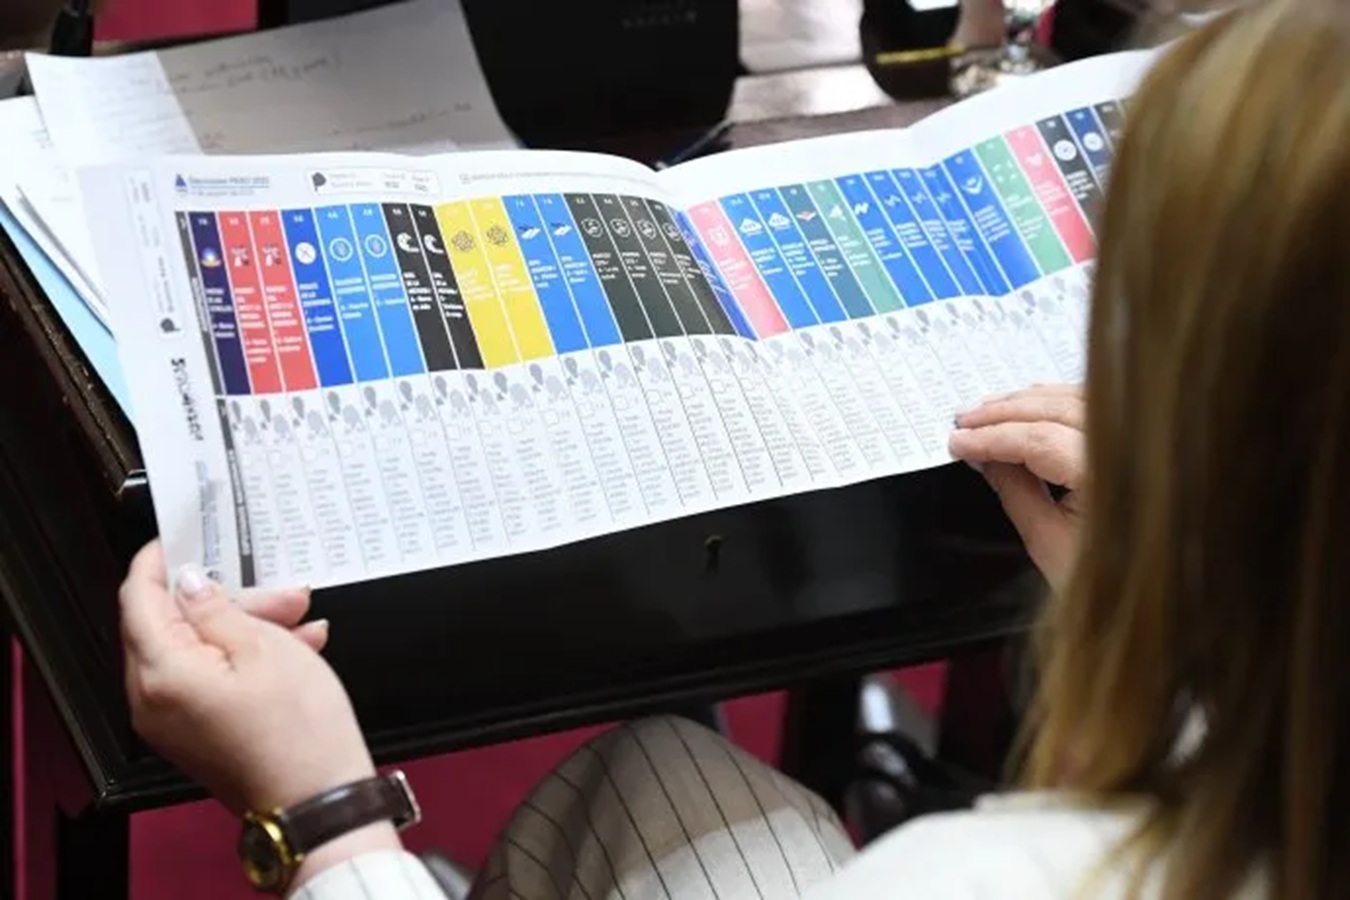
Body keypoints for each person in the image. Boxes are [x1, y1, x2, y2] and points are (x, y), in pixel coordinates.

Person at [118, 0, 1350, 896]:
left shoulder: (977, 871)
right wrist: (1184, 632)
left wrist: (325, 820)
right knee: (662, 771)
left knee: (652, 789)